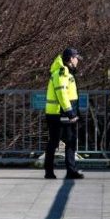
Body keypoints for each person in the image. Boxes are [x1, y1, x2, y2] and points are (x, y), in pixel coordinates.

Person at [44, 47, 83, 179]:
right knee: (55, 142)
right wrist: (70, 112)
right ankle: (49, 171)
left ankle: (70, 171)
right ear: (71, 59)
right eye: (76, 58)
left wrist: (75, 112)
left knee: (70, 141)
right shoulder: (61, 73)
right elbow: (62, 94)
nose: (77, 61)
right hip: (58, 113)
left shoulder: (67, 72)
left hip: (63, 112)